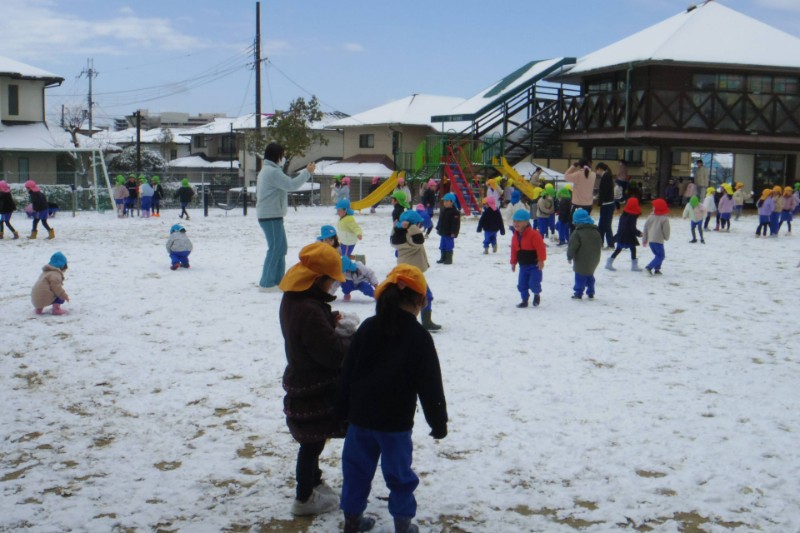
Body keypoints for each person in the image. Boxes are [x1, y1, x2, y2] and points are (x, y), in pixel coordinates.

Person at [338, 264, 448, 533]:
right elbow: (430, 384)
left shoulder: (368, 327)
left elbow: (347, 371)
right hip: (395, 424)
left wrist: (341, 408)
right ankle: (402, 524)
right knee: (399, 475)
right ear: (419, 300)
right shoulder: (419, 337)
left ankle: (351, 520)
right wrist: (438, 421)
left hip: (360, 419)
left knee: (355, 470)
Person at [278, 241, 355, 517]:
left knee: (313, 439)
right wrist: (351, 341)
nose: (333, 287)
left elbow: (306, 330)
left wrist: (329, 320)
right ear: (317, 279)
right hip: (313, 385)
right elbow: (331, 355)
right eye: (331, 281)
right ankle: (304, 498)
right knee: (311, 443)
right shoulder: (309, 309)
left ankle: (313, 481)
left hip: (303, 377)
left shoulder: (296, 299)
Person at [256, 142, 316, 291]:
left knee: (281, 248)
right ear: (276, 156)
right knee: (275, 248)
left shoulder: (270, 170)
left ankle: (278, 280)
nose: (284, 158)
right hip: (270, 215)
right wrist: (307, 172)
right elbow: (291, 185)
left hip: (272, 215)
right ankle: (266, 283)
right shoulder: (272, 172)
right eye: (282, 155)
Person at [391, 210, 441, 330]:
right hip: (413, 273)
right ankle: (426, 322)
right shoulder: (411, 239)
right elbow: (419, 239)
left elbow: (394, 236)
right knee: (426, 296)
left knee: (404, 298)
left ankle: (398, 320)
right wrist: (411, 227)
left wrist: (397, 227)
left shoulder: (397, 238)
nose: (420, 226)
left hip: (403, 271)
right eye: (418, 224)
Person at [510, 209, 547, 308]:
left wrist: (541, 260)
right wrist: (513, 262)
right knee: (522, 284)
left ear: (526, 222)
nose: (516, 224)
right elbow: (514, 250)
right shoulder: (515, 236)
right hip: (523, 266)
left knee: (534, 283)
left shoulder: (534, 235)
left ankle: (536, 294)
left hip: (534, 265)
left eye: (519, 221)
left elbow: (541, 248)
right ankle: (524, 300)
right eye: (514, 221)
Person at [567, 209, 602, 299]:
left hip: (581, 259)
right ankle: (591, 292)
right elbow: (599, 244)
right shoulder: (595, 231)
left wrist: (569, 256)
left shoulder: (577, 232)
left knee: (580, 276)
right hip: (594, 258)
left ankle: (578, 293)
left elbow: (572, 246)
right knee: (589, 274)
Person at [606, 197, 643, 271]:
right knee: (632, 249)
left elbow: (622, 226)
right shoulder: (632, 216)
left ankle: (609, 263)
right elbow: (632, 228)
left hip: (621, 234)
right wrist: (639, 233)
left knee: (619, 249)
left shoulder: (624, 214)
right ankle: (634, 266)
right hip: (628, 236)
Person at [642, 198, 671, 275]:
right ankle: (648, 267)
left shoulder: (650, 217)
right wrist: (666, 237)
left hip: (651, 241)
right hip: (658, 241)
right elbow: (666, 230)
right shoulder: (664, 218)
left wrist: (645, 239)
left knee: (658, 255)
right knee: (661, 256)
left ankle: (657, 269)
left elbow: (645, 228)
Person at [435, 192, 460, 265]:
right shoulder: (443, 210)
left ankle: (449, 259)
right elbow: (440, 220)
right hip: (443, 231)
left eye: (447, 201)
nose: (445, 203)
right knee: (442, 245)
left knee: (449, 246)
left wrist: (454, 232)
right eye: (444, 201)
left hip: (449, 233)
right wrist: (438, 227)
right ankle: (443, 258)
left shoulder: (455, 212)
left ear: (452, 202)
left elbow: (455, 224)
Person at [595, 162, 616, 248]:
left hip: (607, 204)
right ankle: (601, 242)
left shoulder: (606, 176)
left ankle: (610, 243)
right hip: (606, 204)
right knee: (602, 224)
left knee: (606, 224)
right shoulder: (606, 176)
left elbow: (604, 191)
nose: (596, 172)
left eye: (597, 170)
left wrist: (600, 201)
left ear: (600, 169)